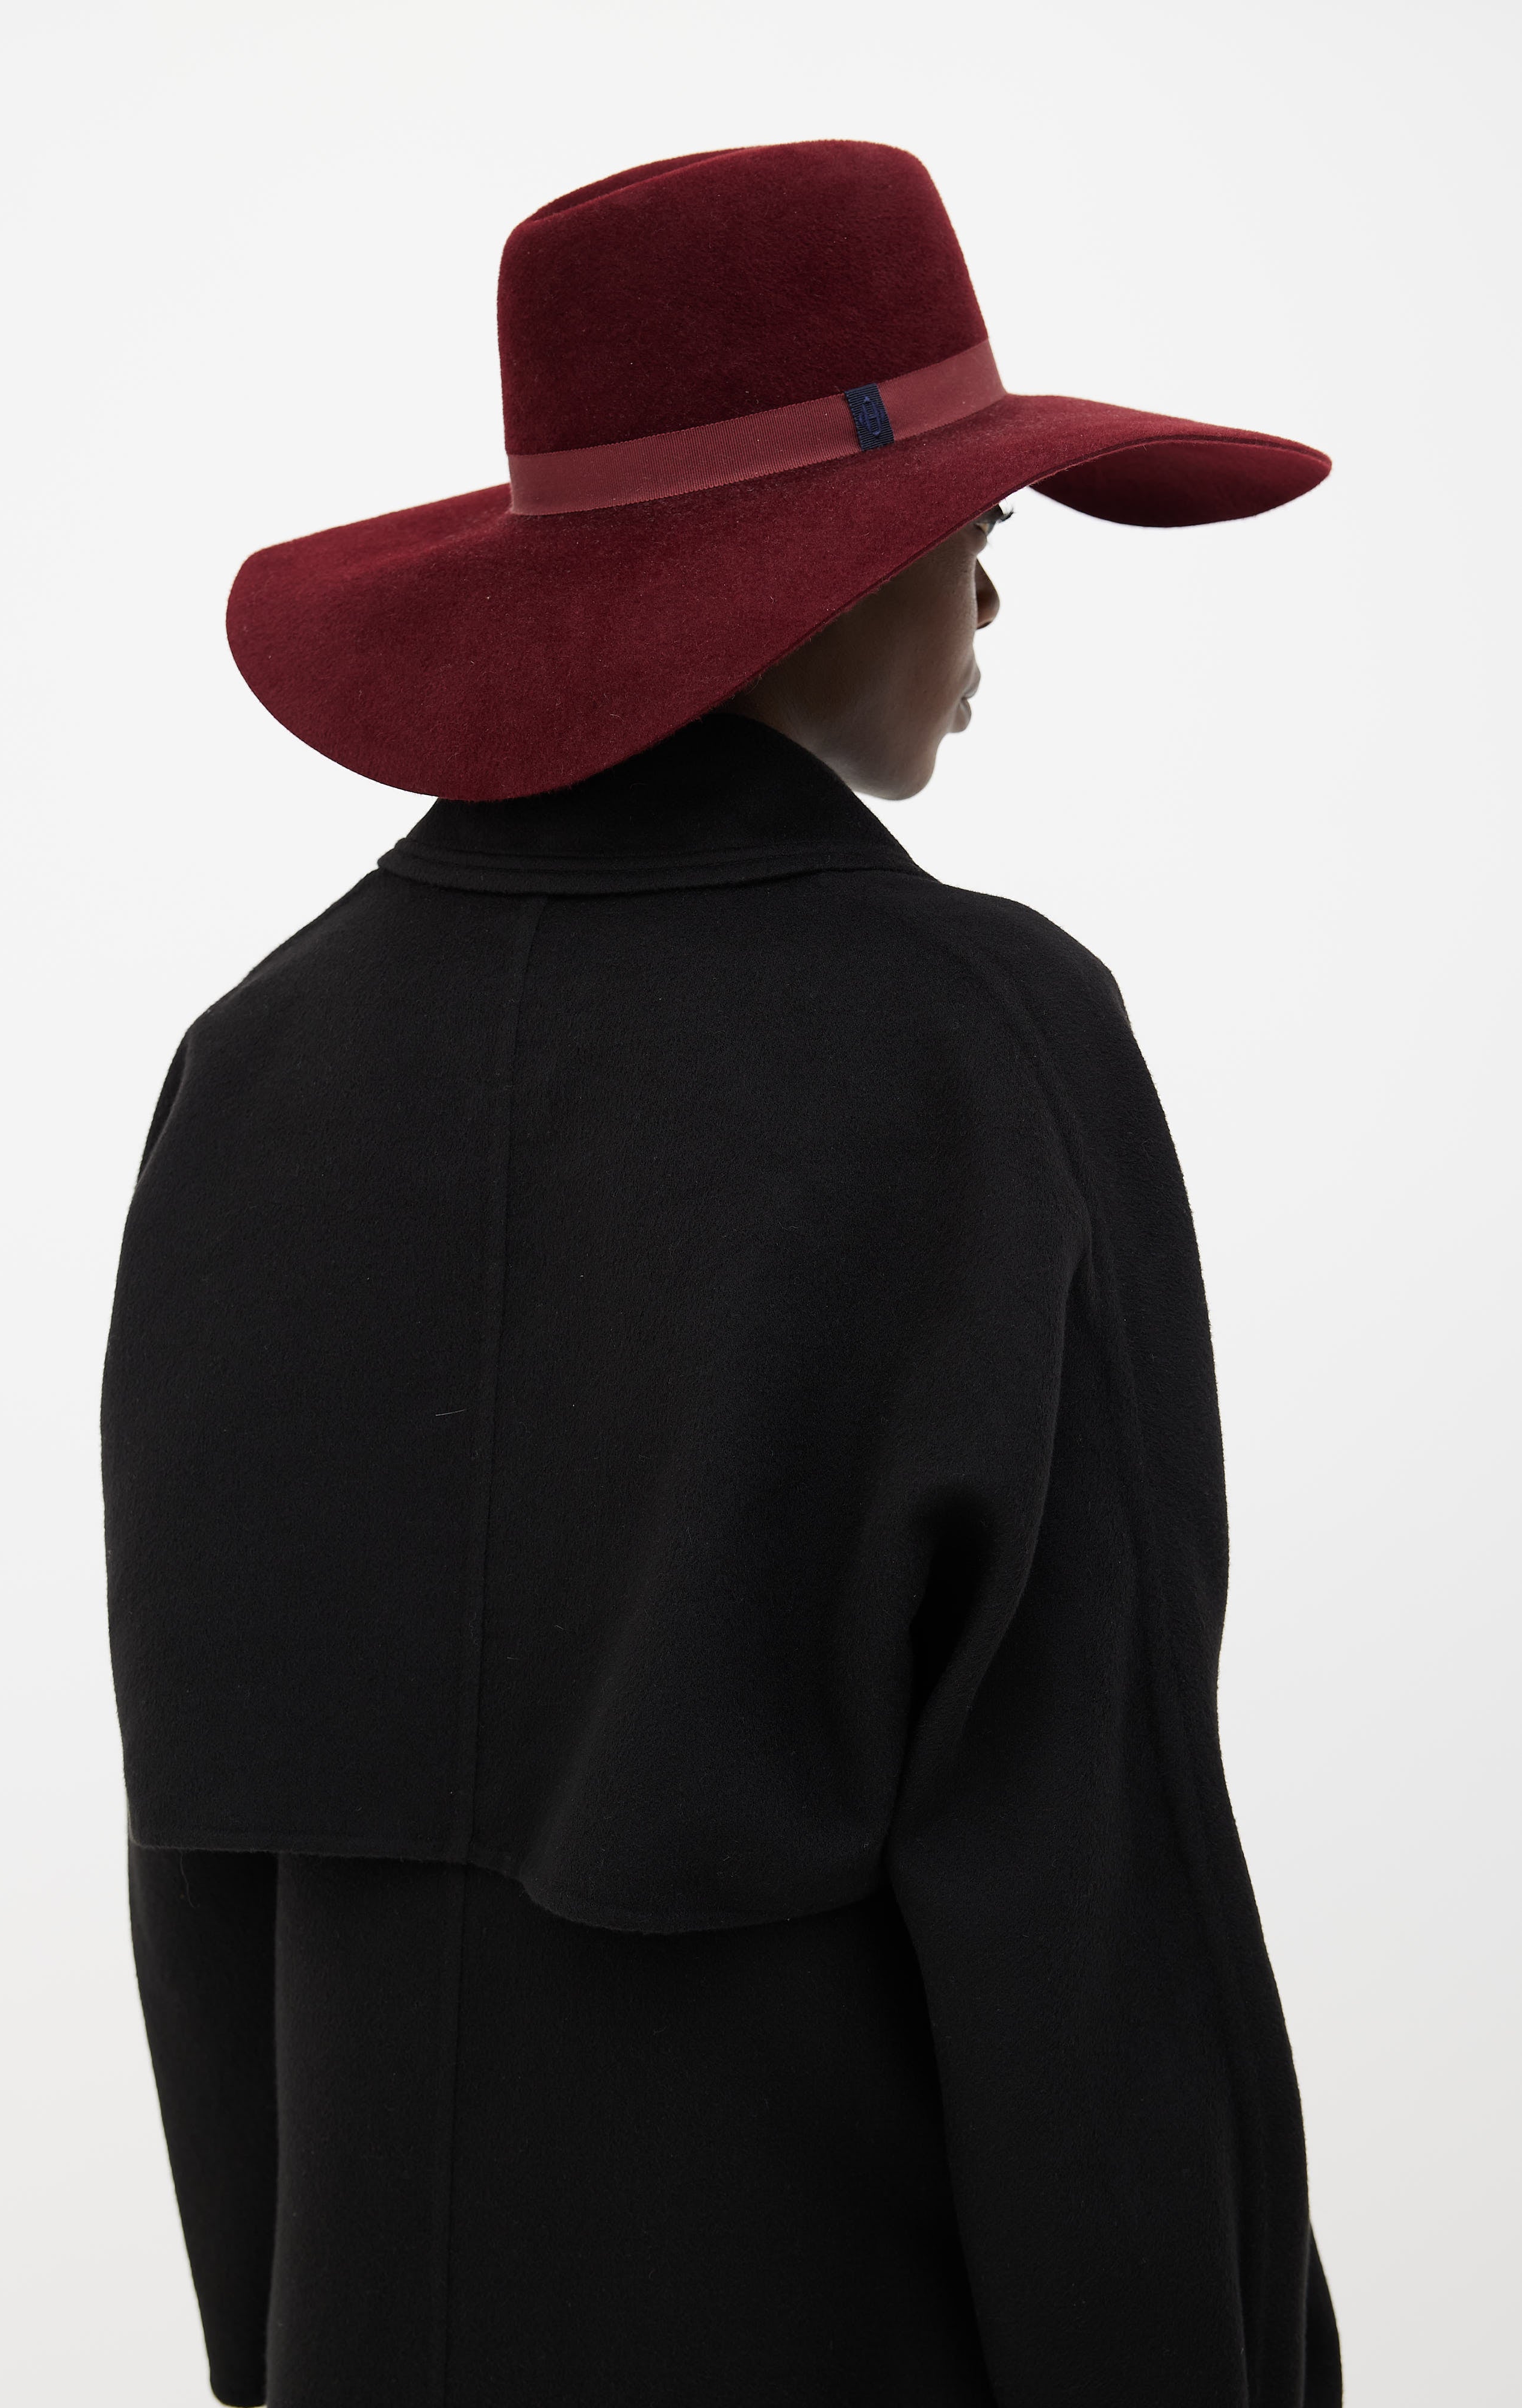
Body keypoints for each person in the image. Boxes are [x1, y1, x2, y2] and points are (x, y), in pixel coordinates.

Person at [104, 140, 1341, 2407]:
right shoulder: (977, 1045)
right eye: (968, 538)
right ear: (815, 583)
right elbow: (1097, 1886)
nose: (992, 608)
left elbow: (206, 1879)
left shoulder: (253, 1066)